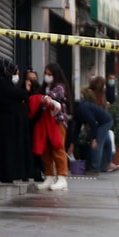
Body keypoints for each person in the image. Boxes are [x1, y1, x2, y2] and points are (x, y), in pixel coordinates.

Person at [0, 58, 34, 183]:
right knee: (8, 149)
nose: (16, 76)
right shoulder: (3, 84)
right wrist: (26, 90)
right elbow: (19, 94)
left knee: (4, 149)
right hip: (8, 122)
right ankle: (8, 175)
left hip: (3, 121)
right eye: (14, 73)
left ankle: (5, 175)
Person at [37, 62, 72, 191]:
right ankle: (49, 176)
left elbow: (52, 97)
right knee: (46, 150)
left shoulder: (59, 87)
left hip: (57, 122)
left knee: (58, 148)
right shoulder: (45, 88)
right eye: (46, 74)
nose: (47, 77)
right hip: (45, 122)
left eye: (50, 74)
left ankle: (62, 177)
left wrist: (43, 99)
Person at [74, 96, 113, 175]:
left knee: (97, 144)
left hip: (104, 122)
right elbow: (77, 128)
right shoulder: (80, 109)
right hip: (106, 120)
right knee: (106, 142)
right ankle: (105, 165)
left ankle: (95, 168)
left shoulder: (82, 110)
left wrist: (94, 139)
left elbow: (93, 124)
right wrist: (72, 142)